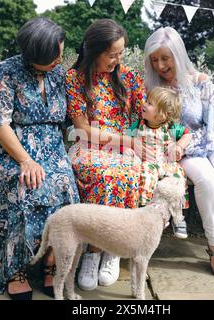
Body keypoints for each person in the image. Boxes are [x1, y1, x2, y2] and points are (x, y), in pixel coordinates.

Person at [0, 17, 80, 300]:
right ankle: (14, 269)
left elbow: (67, 119)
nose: (58, 60)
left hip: (50, 145)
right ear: (33, 55)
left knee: (64, 182)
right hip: (8, 148)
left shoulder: (58, 73)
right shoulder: (5, 72)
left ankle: (50, 263)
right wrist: (25, 161)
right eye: (52, 57)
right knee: (23, 185)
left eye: (60, 53)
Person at [144, 27, 214, 278]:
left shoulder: (201, 83)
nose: (160, 65)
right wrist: (173, 147)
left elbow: (213, 132)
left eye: (165, 58)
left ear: (178, 55)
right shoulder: (152, 87)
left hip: (212, 144)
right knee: (208, 180)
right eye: (154, 60)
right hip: (181, 152)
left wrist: (183, 145)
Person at [65, 19, 152, 291]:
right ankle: (92, 250)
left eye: (121, 54)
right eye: (111, 54)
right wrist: (126, 141)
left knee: (127, 172)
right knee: (102, 173)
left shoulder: (129, 77)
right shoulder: (75, 78)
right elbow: (82, 128)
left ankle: (113, 249)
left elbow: (148, 113)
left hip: (126, 147)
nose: (117, 60)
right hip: (88, 144)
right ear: (94, 51)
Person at [126, 86, 191, 238]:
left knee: (178, 178)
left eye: (149, 103)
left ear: (163, 115)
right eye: (146, 101)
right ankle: (145, 214)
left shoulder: (171, 127)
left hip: (165, 162)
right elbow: (126, 138)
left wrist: (179, 146)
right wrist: (127, 149)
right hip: (147, 163)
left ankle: (178, 215)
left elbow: (188, 135)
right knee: (145, 178)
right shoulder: (138, 125)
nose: (144, 104)